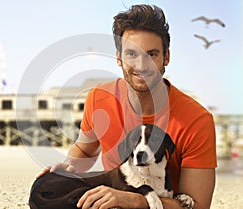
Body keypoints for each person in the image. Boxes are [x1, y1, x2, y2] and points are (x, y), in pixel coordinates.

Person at [39, 4, 217, 209]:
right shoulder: (98, 99)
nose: (142, 65)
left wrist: (137, 201)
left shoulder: (197, 120)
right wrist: (67, 169)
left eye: (151, 54)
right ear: (118, 58)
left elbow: (199, 205)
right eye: (132, 54)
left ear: (166, 57)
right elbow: (85, 152)